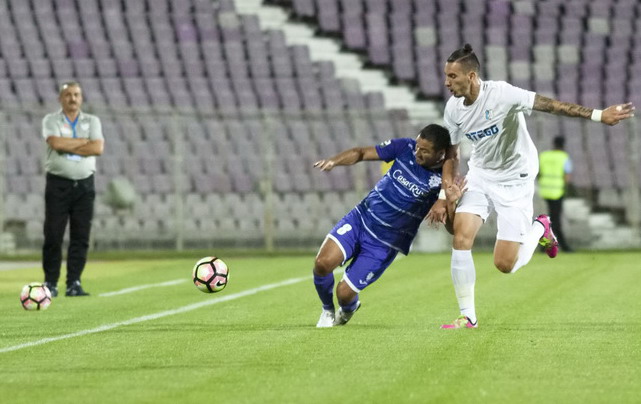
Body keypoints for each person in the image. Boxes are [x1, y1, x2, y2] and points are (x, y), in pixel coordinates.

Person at [440, 44, 635, 329]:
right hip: (481, 175)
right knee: (461, 237)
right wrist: (446, 192)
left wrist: (597, 114)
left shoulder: (503, 94)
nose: (447, 82)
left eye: (453, 76)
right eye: (446, 76)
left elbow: (551, 105)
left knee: (505, 264)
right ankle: (467, 315)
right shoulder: (453, 109)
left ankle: (540, 227)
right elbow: (453, 154)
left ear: (471, 76)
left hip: (516, 178)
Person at [311, 124, 461, 327]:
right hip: (360, 220)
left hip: (384, 243)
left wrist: (448, 203)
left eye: (425, 151)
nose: (417, 152)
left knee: (344, 293)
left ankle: (348, 309)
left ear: (440, 154)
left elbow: (452, 227)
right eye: (418, 146)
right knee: (322, 264)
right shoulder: (404, 147)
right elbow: (361, 152)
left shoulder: (442, 184)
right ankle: (327, 311)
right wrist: (333, 161)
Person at [42, 81, 104, 297]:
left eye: (76, 94)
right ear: (61, 98)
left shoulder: (92, 120)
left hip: (85, 185)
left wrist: (68, 142)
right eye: (68, 95)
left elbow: (97, 147)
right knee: (53, 235)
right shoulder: (51, 119)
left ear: (81, 98)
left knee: (81, 236)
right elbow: (56, 144)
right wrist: (83, 143)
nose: (73, 98)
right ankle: (50, 282)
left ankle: (74, 283)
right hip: (58, 183)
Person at [539, 135, 573, 252]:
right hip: (557, 191)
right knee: (555, 220)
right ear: (563, 145)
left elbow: (538, 172)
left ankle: (547, 245)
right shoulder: (564, 157)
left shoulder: (544, 155)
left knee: (552, 218)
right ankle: (555, 245)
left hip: (545, 190)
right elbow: (567, 176)